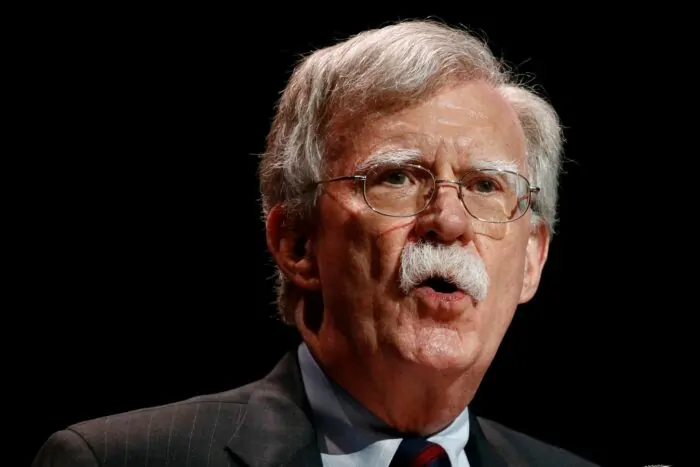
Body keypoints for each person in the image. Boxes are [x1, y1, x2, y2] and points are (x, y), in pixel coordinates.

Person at [33, 19, 598, 467]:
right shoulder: (119, 459)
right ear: (298, 242)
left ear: (532, 258)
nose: (448, 220)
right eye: (397, 178)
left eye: (485, 186)